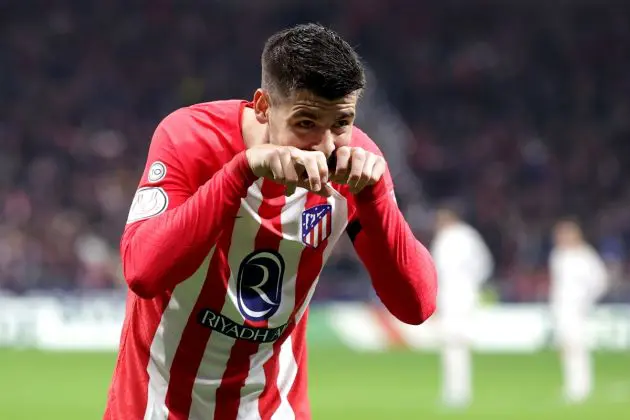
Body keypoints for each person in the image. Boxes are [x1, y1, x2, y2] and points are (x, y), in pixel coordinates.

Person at [104, 23, 438, 420]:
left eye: (341, 123)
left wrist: (374, 196)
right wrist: (240, 172)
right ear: (263, 107)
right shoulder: (189, 138)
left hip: (271, 409)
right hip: (154, 407)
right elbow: (142, 271)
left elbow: (417, 305)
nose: (327, 145)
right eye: (305, 123)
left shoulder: (355, 164)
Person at [430, 207, 493, 408]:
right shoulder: (464, 237)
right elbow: (485, 265)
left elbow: (483, 265)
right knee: (453, 345)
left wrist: (470, 284)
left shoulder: (460, 237)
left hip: (458, 295)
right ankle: (455, 392)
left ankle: (458, 393)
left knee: (455, 344)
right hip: (456, 295)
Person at [549, 218, 608, 404]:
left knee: (577, 347)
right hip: (561, 308)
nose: (561, 238)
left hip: (578, 308)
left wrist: (587, 301)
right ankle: (571, 386)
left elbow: (600, 281)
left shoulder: (586, 256)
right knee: (566, 348)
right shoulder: (558, 255)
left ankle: (581, 388)